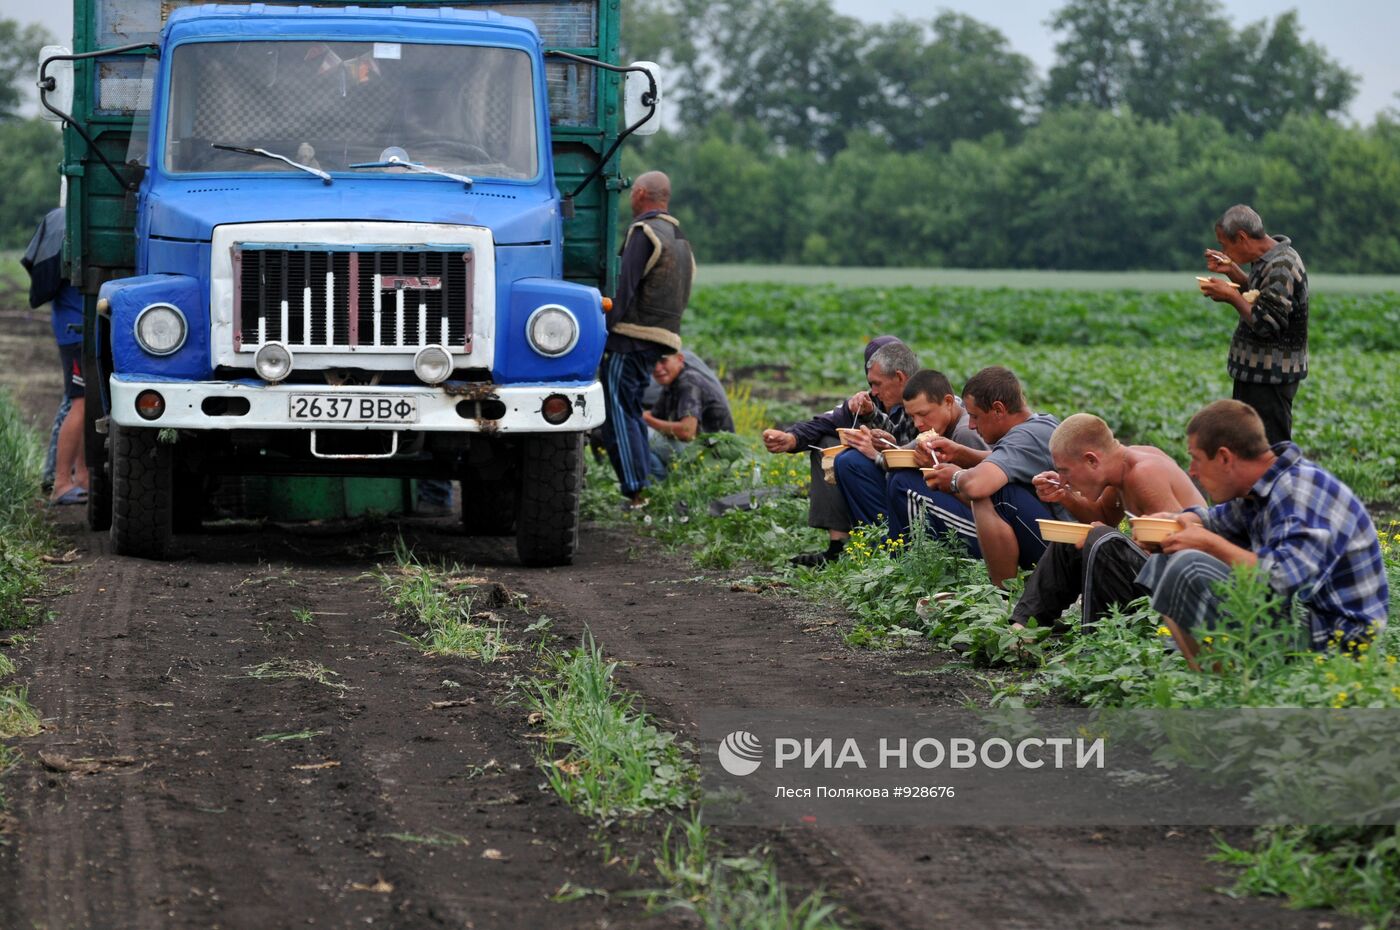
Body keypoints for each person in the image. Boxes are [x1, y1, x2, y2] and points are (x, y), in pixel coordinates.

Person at [1129, 400, 1388, 668]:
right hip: (1298, 617)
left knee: (1188, 565)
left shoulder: (1298, 492)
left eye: (1195, 458)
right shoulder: (1262, 487)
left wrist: (1208, 543)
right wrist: (1176, 522)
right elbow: (1217, 519)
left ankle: (1226, 692)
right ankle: (1197, 673)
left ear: (1225, 458)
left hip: (1337, 639)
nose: (1191, 471)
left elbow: (1281, 578)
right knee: (1168, 555)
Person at [1009, 413, 1204, 629]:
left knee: (1101, 537)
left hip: (1186, 593)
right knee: (1073, 539)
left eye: (1065, 471)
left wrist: (1106, 537)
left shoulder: (1144, 473)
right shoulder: (1120, 467)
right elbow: (1103, 517)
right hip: (1157, 580)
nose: (1063, 479)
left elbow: (1180, 551)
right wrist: (1064, 495)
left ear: (1091, 460)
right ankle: (1023, 629)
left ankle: (1097, 639)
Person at [899, 366, 1061, 586]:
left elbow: (977, 486)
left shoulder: (1024, 437)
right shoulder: (1041, 423)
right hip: (1059, 541)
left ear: (998, 409)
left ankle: (1003, 594)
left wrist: (955, 478)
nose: (972, 425)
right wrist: (960, 453)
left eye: (975, 416)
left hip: (1063, 555)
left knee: (994, 496)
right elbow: (1002, 458)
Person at [760, 335, 904, 567]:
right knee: (828, 441)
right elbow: (825, 421)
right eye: (872, 383)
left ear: (900, 375)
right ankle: (840, 546)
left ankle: (887, 544)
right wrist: (791, 438)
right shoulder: (869, 400)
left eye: (880, 382)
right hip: (883, 477)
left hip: (904, 486)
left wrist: (873, 451)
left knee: (851, 461)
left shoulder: (920, 400)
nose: (875, 390)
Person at [598, 170, 696, 510]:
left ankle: (636, 491)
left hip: (630, 337)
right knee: (631, 408)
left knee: (619, 411)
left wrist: (603, 331)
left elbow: (622, 290)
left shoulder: (644, 232)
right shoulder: (679, 237)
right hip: (662, 337)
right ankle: (645, 488)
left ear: (640, 193)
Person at [1199, 204, 1308, 445]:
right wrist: (1234, 273)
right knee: (1248, 447)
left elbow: (1267, 323)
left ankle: (1274, 485)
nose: (1223, 250)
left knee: (1269, 449)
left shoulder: (1282, 265)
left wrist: (1231, 296)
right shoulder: (1267, 260)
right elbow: (1262, 296)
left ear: (1242, 237)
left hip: (1272, 375)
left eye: (1225, 244)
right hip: (1257, 373)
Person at [835, 366, 984, 532]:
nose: (917, 423)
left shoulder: (965, 433)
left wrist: (933, 469)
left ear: (948, 402)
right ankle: (887, 542)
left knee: (903, 481)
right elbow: (900, 455)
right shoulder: (933, 430)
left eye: (923, 414)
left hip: (977, 523)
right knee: (852, 461)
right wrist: (886, 445)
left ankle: (903, 550)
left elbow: (983, 497)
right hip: (950, 510)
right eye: (912, 416)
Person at [21, 207, 89, 505]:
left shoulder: (63, 220)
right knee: (81, 403)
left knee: (91, 404)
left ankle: (82, 477)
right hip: (74, 332)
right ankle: (61, 482)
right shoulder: (71, 223)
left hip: (79, 328)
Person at [643, 348, 734, 478]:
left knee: (642, 434)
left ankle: (661, 485)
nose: (657, 368)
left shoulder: (689, 381)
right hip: (699, 452)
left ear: (680, 359)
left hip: (713, 458)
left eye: (663, 361)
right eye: (653, 362)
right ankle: (663, 486)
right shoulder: (672, 383)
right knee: (639, 433)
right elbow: (653, 415)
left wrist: (648, 420)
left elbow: (687, 431)